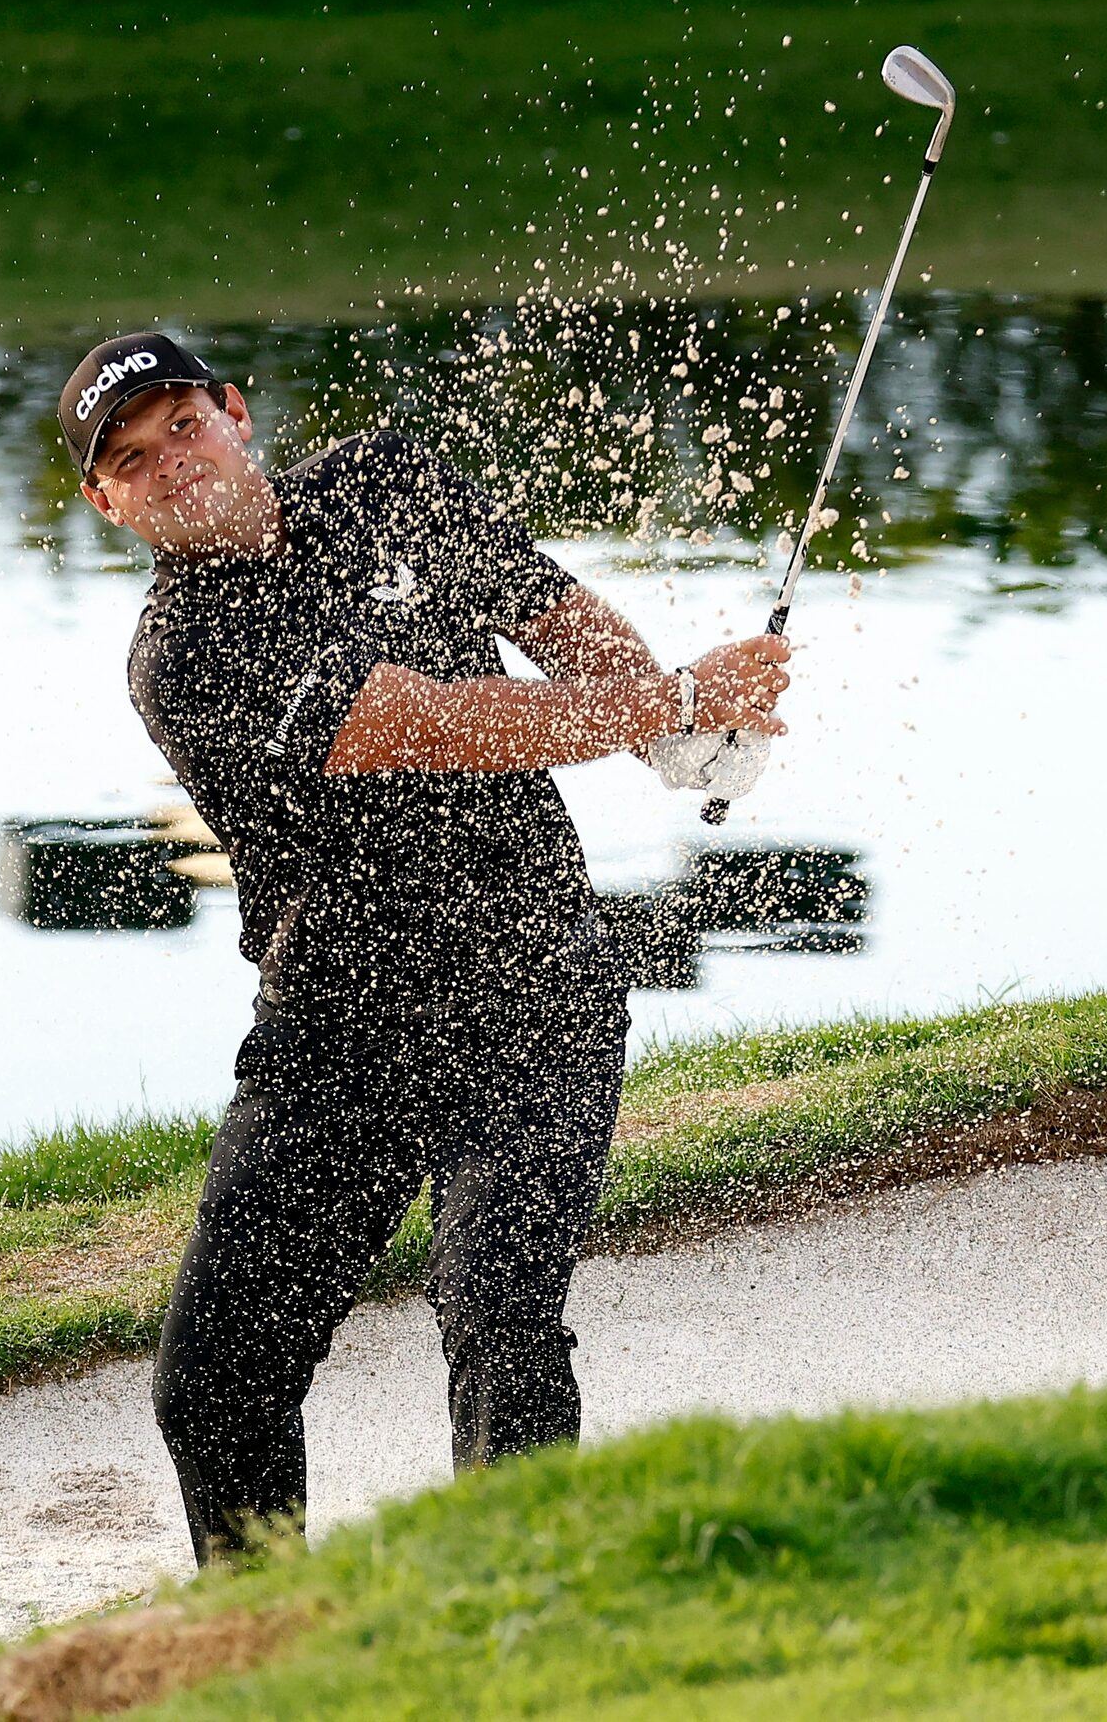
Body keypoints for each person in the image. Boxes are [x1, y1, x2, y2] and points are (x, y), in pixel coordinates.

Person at [57, 331, 790, 1568]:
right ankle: (268, 1642)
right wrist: (671, 704)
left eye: (182, 425)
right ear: (107, 503)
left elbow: (558, 620)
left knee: (501, 1323)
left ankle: (521, 1628)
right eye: (131, 459)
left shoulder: (388, 480)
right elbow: (433, 726)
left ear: (234, 414)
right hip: (336, 1034)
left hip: (536, 992)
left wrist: (669, 727)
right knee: (214, 1382)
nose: (171, 463)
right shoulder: (186, 653)